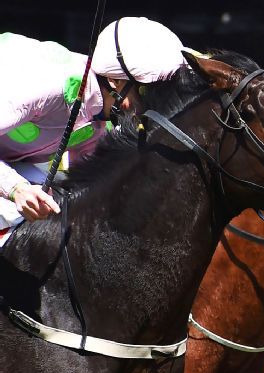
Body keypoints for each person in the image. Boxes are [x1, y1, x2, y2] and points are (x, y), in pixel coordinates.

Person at [1, 18, 184, 231]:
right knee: (13, 211)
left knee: (56, 204)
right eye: (143, 93)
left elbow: (88, 182)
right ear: (115, 81)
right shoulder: (46, 87)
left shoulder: (100, 118)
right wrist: (16, 189)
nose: (144, 109)